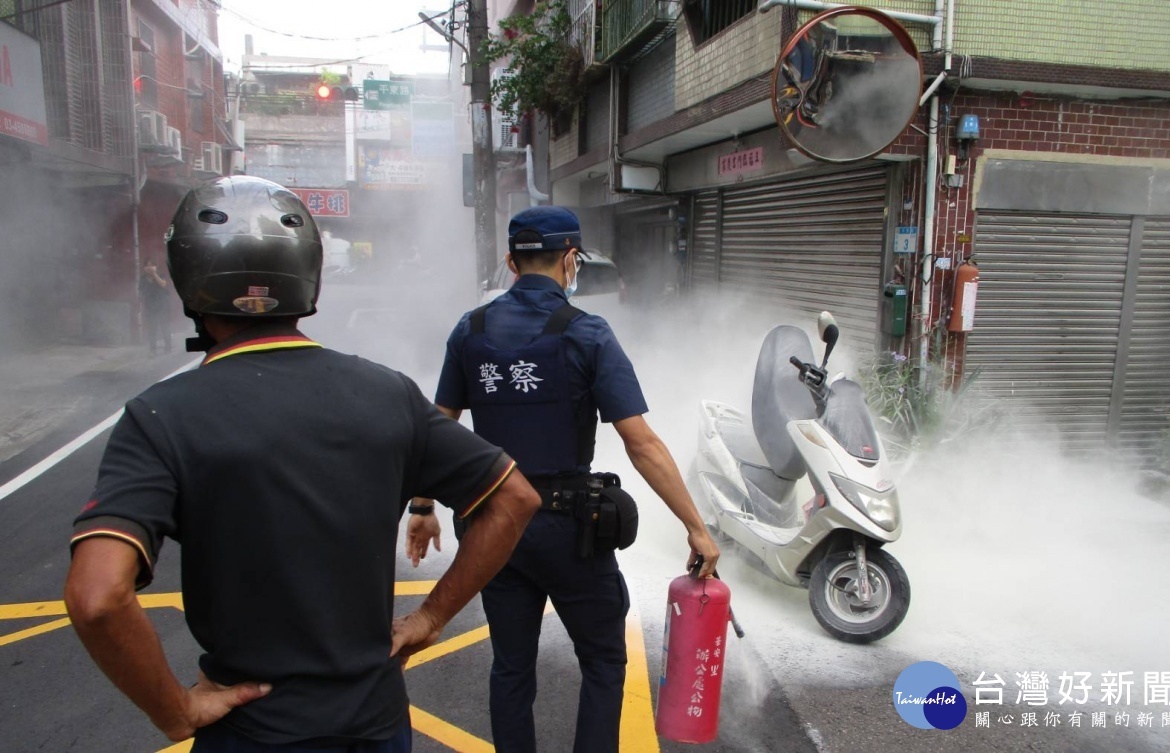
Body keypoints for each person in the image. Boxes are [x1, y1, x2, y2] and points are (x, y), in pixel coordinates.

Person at [63, 176, 541, 752]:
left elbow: (98, 596)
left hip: (253, 732)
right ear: (307, 275)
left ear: (189, 281)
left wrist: (175, 711)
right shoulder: (386, 393)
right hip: (377, 728)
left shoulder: (161, 415)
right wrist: (430, 619)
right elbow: (515, 499)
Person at [406, 205, 720, 753]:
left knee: (510, 666)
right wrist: (696, 526)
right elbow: (640, 442)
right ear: (571, 260)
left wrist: (422, 506)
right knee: (602, 659)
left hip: (492, 526)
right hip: (570, 531)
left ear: (511, 261)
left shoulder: (470, 330)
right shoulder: (587, 333)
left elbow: (439, 427)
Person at [139, 258, 171, 354]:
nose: (149, 267)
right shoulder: (143, 278)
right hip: (149, 306)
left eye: (152, 265)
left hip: (162, 305)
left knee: (164, 327)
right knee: (152, 329)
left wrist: (154, 274)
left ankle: (168, 347)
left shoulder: (161, 275)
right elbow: (141, 291)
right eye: (147, 265)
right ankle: (153, 349)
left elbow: (163, 284)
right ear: (144, 267)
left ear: (155, 266)